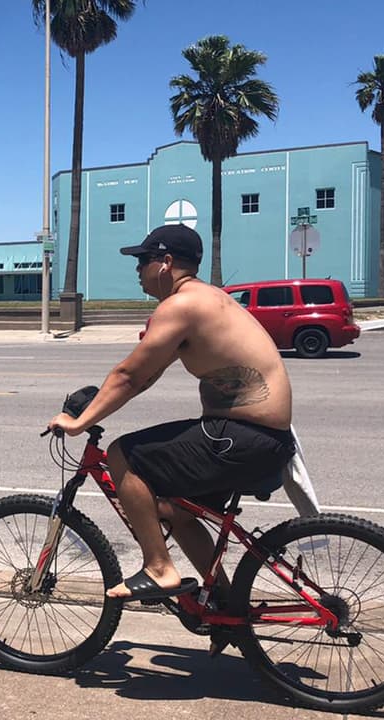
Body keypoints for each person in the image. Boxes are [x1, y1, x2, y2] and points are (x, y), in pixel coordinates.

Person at [47, 224, 296, 606]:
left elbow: (129, 377)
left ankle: (159, 568)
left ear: (165, 263)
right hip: (260, 438)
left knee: (121, 455)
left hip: (239, 436)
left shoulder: (180, 306)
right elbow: (145, 377)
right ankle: (226, 603)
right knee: (171, 508)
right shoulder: (209, 299)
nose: (137, 271)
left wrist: (79, 423)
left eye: (142, 261)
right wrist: (99, 401)